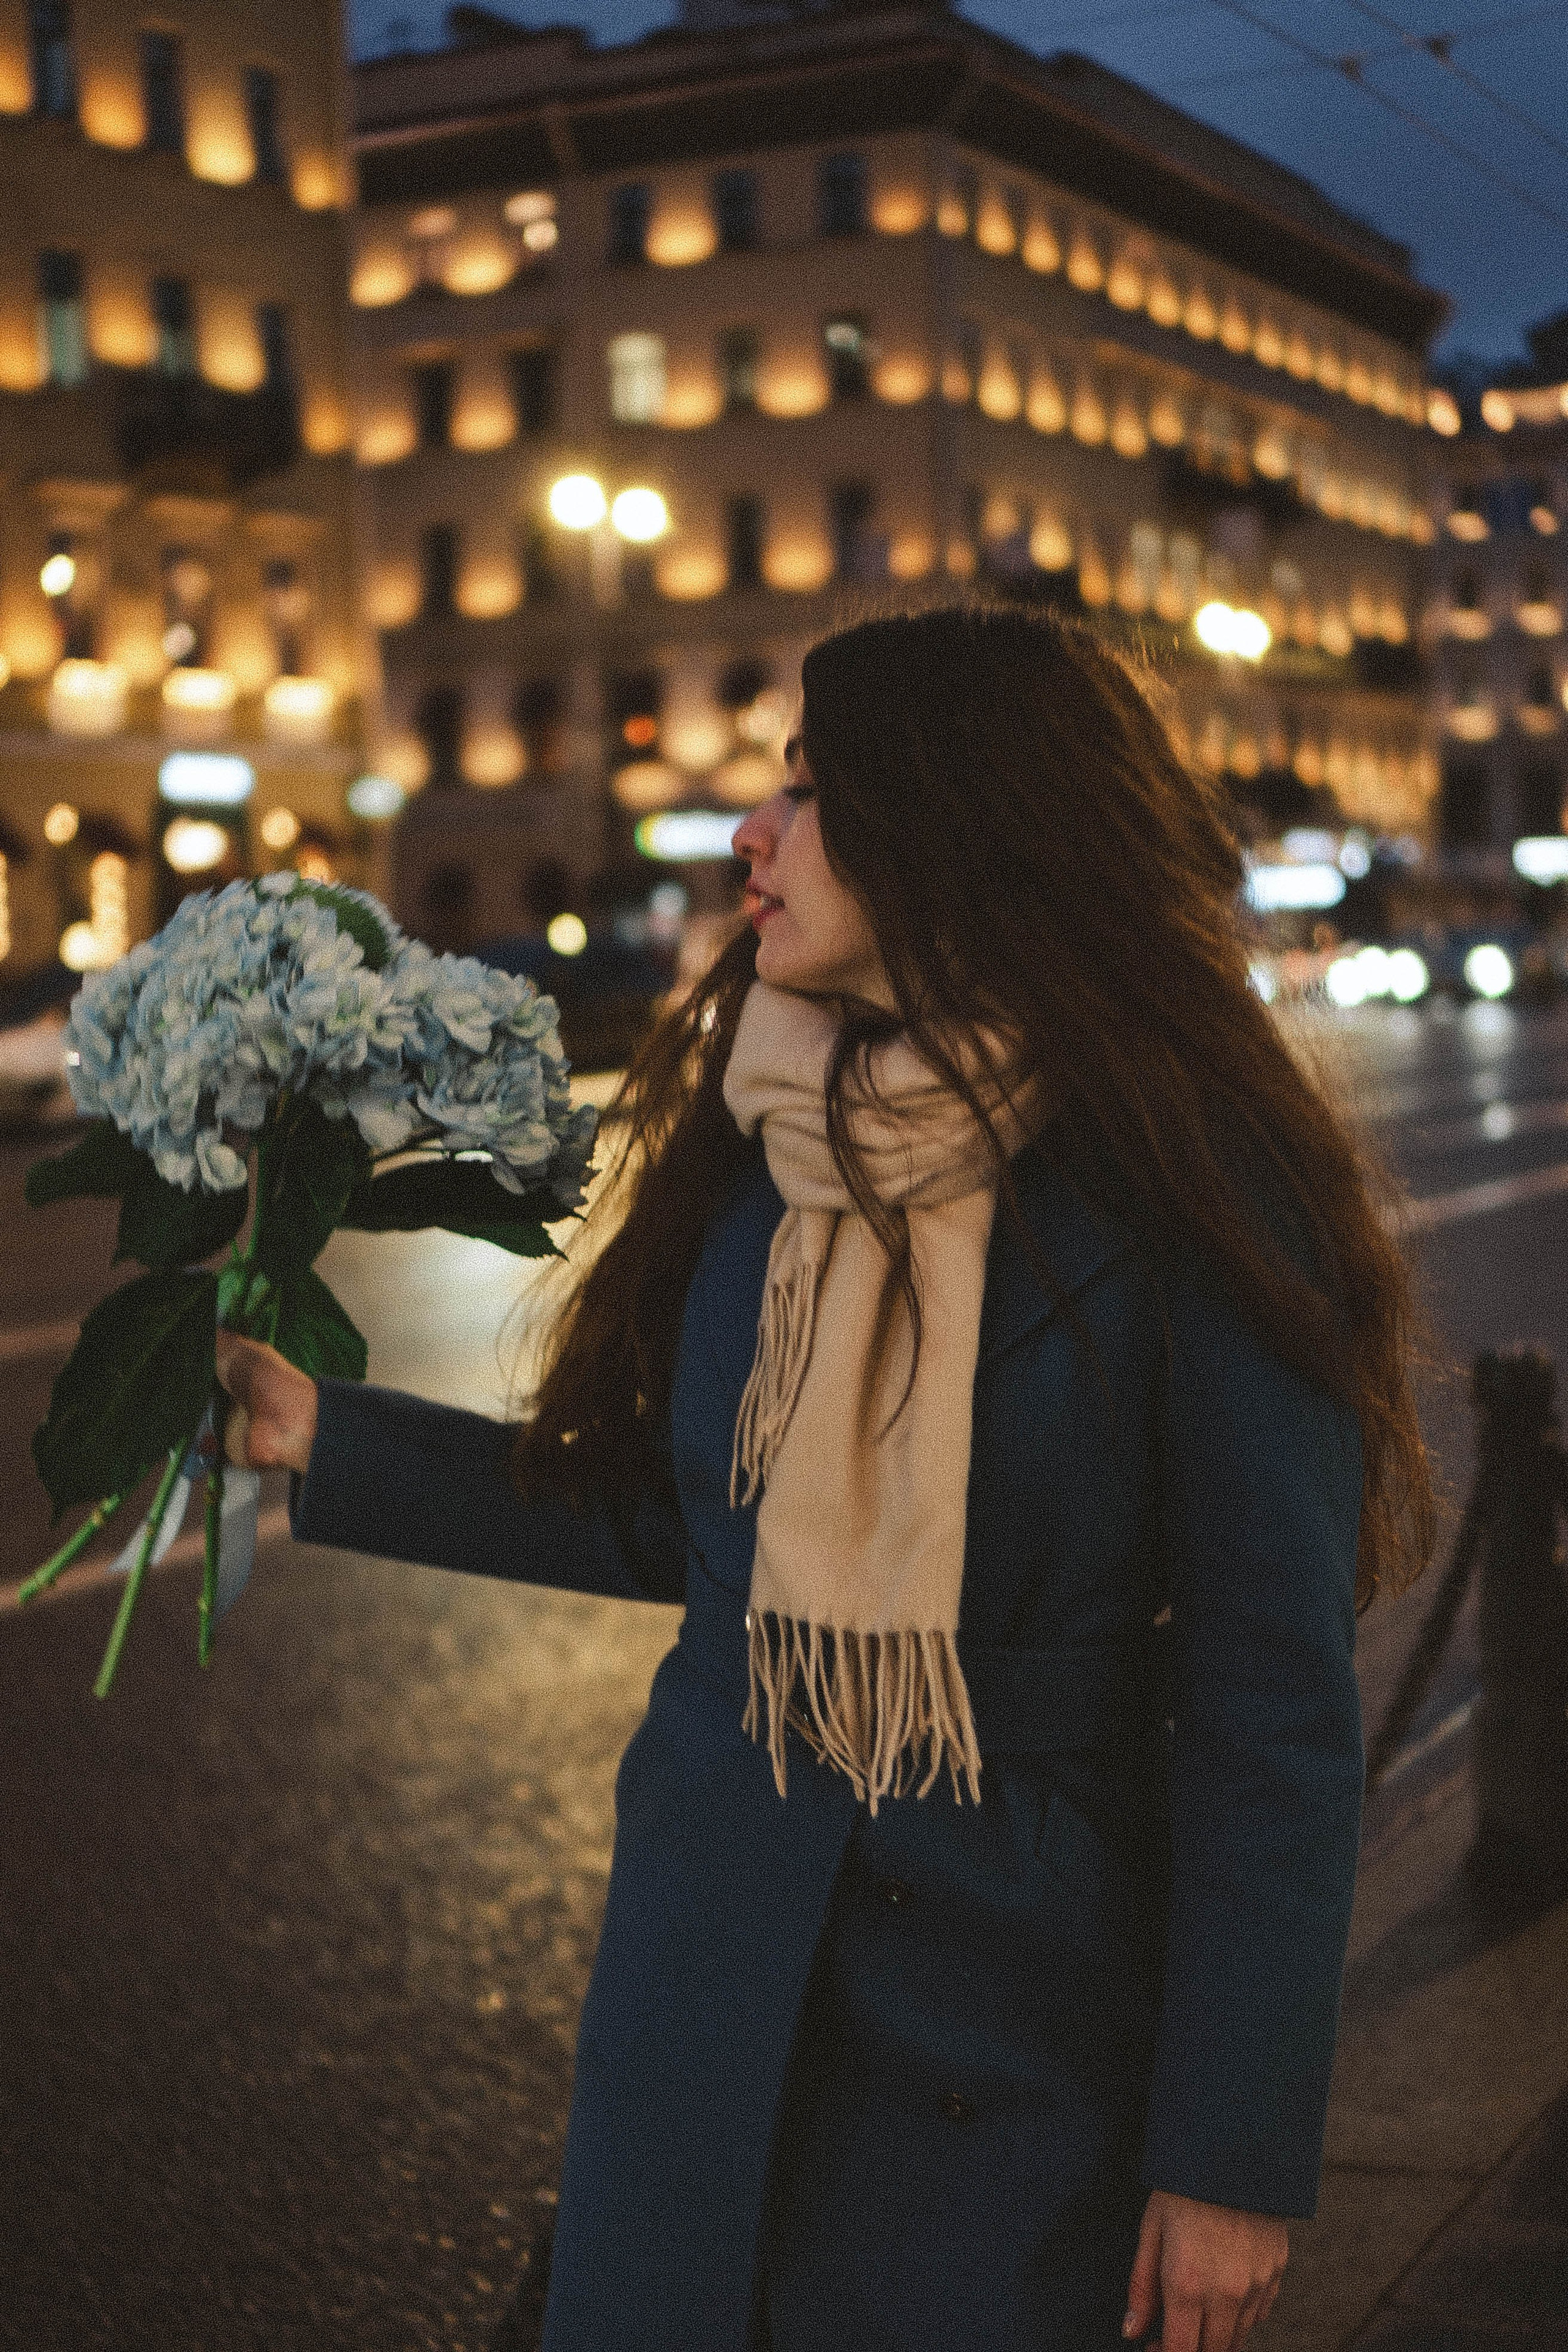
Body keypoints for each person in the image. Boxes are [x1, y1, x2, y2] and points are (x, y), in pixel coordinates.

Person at [216, 605, 1433, 2352]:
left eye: (808, 790)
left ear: (958, 820)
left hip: (1016, 2000)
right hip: (707, 1965)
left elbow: (1271, 1700)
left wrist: (1232, 2152)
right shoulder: (770, 1124)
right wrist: (324, 1431)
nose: (749, 835)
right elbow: (698, 1517)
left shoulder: (1200, 1169)